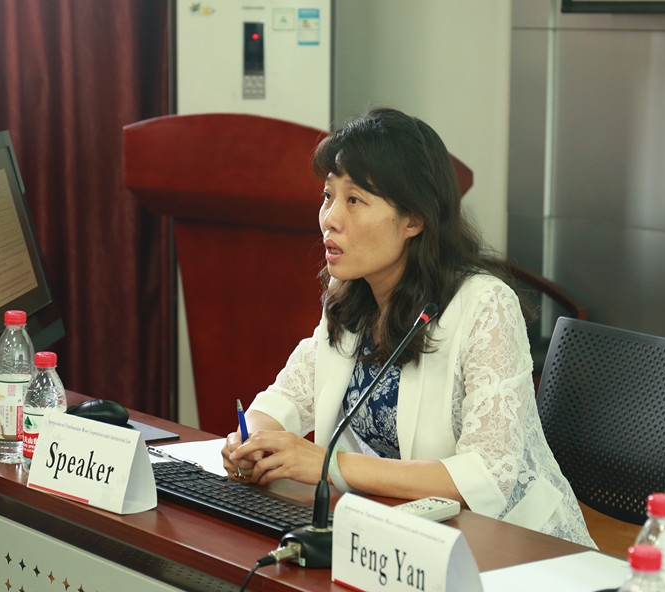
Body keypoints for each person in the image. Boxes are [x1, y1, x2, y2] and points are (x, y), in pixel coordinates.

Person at [222, 107, 595, 547]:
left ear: (414, 220)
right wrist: (252, 440)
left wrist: (327, 464)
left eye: (354, 200)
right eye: (327, 196)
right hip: (401, 537)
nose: (330, 218)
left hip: (515, 547)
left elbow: (486, 477)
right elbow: (288, 396)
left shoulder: (485, 305)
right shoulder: (351, 296)